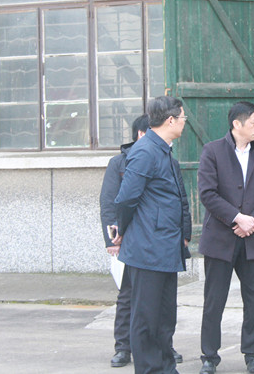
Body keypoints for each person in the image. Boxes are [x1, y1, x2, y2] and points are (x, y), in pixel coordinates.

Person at [100, 114, 189, 368]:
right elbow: (117, 201)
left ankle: (164, 360)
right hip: (141, 244)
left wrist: (184, 235)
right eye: (182, 117)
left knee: (161, 311)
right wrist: (116, 236)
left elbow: (180, 200)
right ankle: (125, 348)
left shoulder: (167, 157)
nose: (184, 121)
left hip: (162, 245)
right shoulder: (134, 157)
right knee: (135, 305)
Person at [197, 102, 254, 374]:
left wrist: (252, 221)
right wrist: (236, 217)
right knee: (214, 300)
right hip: (220, 239)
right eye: (253, 122)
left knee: (253, 300)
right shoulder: (213, 151)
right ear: (236, 124)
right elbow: (207, 193)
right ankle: (209, 356)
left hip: (251, 238)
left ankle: (253, 355)